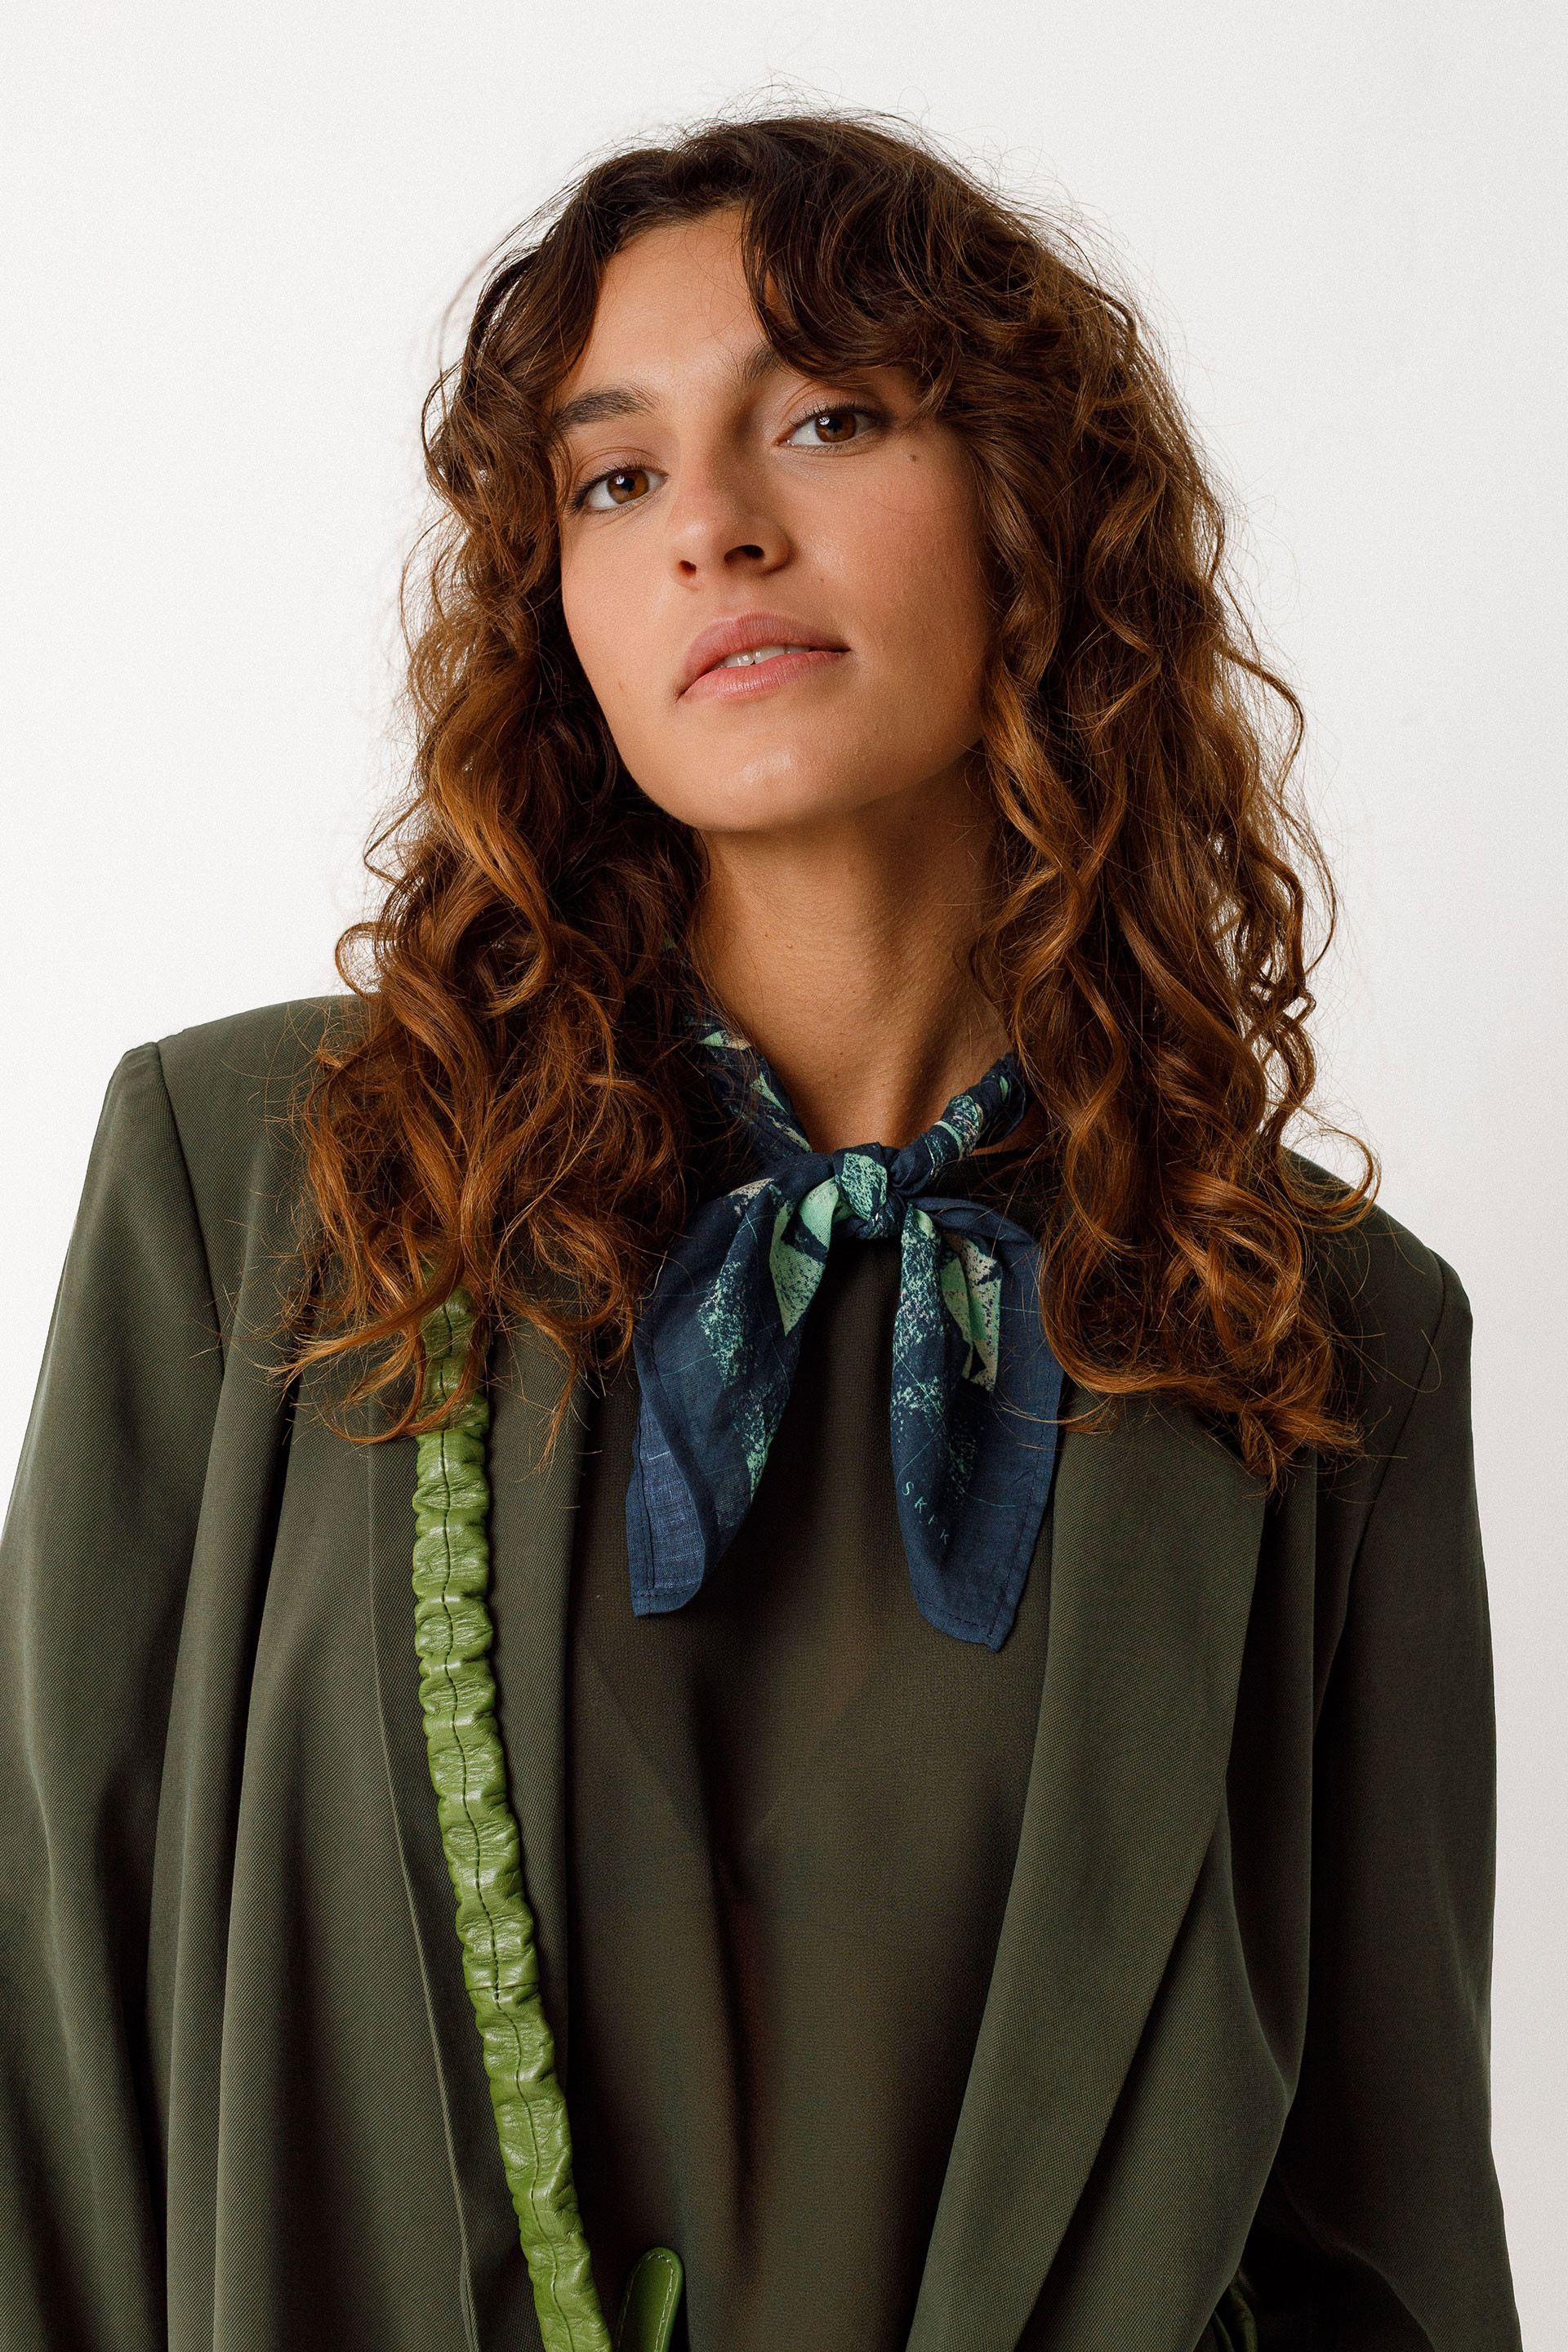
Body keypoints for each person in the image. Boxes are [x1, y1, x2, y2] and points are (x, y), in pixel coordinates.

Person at [0, 111, 1521, 2352]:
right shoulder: (260, 1178)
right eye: (615, 478)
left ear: (1034, 515)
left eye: (826, 418)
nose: (712, 524)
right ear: (560, 614)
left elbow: (1387, 2253)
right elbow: (40, 2080)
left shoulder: (1319, 1335)